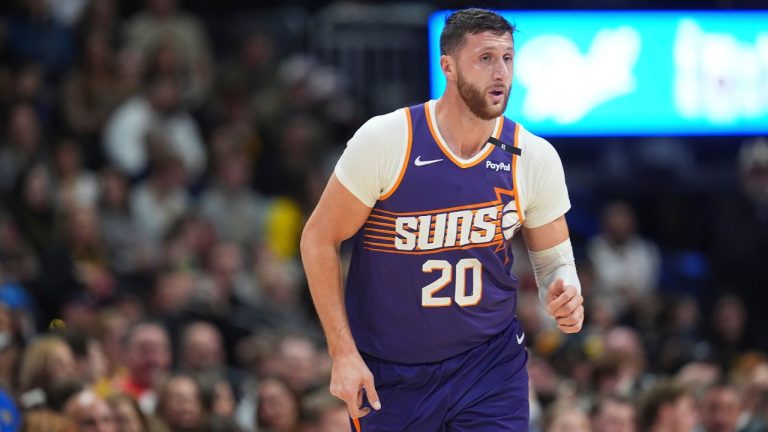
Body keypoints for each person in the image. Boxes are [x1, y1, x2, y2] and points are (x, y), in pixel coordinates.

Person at [300, 8, 584, 431]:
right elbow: (318, 239)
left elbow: (554, 263)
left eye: (507, 58)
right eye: (485, 58)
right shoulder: (389, 139)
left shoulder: (533, 155)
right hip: (391, 368)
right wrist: (342, 353)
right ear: (447, 66)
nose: (500, 72)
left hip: (489, 364)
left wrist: (565, 290)